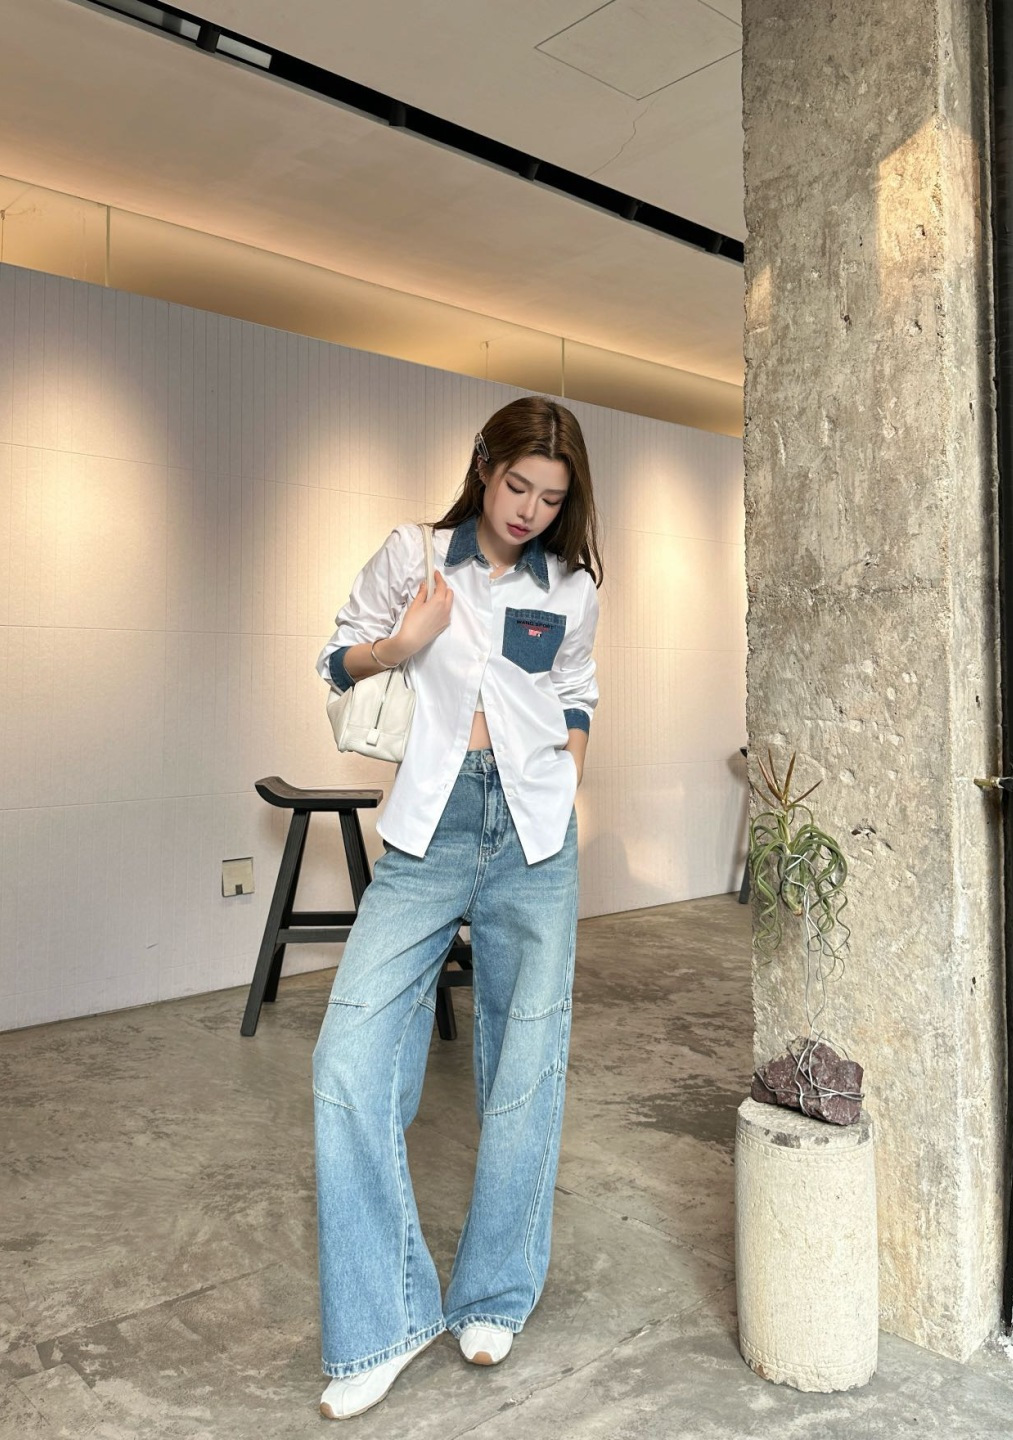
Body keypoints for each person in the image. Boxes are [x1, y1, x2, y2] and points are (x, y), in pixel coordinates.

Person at [312, 395, 601, 1420]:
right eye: (518, 485)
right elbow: (334, 660)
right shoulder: (416, 554)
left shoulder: (571, 587)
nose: (529, 510)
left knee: (525, 1067)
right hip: (429, 831)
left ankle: (493, 1292)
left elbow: (576, 690)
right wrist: (404, 642)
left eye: (551, 497)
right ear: (484, 466)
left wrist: (567, 775)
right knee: (347, 1060)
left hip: (534, 838)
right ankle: (385, 1317)